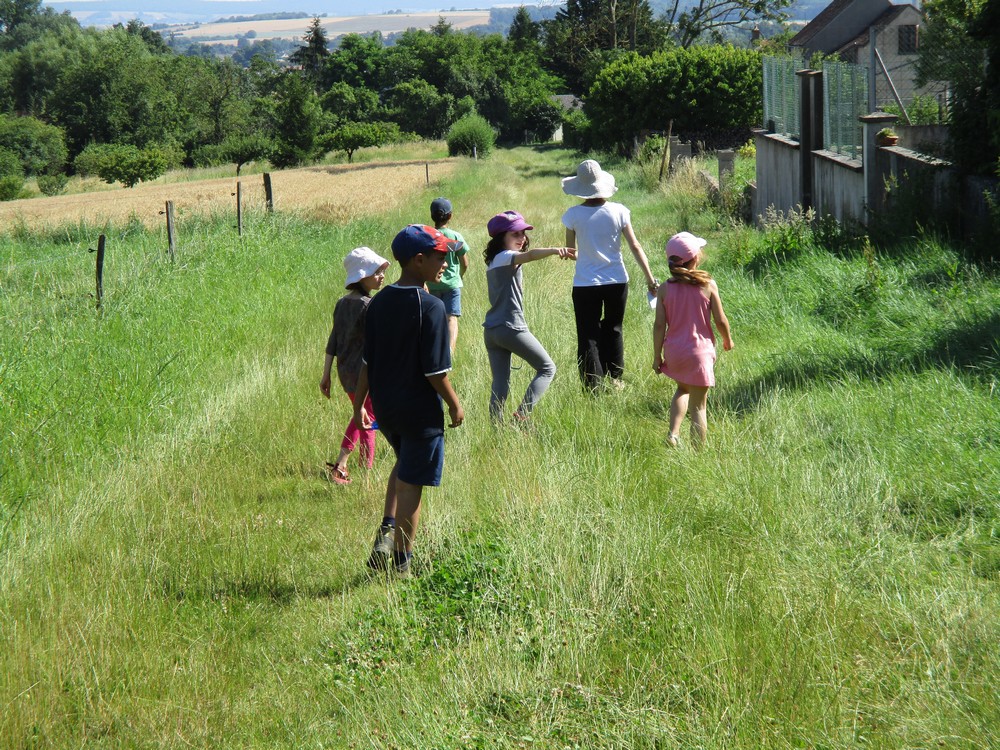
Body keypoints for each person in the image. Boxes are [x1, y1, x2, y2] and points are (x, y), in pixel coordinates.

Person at [353, 224, 465, 576]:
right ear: (419, 260)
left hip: (387, 410)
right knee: (413, 484)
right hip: (419, 413)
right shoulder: (430, 307)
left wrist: (359, 405)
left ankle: (386, 530)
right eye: (441, 257)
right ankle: (402, 564)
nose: (447, 262)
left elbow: (367, 363)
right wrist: (455, 404)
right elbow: (435, 372)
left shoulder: (377, 303)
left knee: (405, 465)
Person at [561, 159, 658, 392]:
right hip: (616, 280)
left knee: (587, 333)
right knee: (614, 327)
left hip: (585, 283)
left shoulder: (572, 215)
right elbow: (635, 246)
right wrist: (650, 278)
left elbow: (572, 253)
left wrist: (583, 253)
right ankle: (616, 378)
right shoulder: (619, 211)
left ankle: (592, 385)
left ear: (580, 188)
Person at [482, 210, 575, 423]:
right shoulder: (506, 256)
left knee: (500, 382)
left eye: (523, 233)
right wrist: (555, 250)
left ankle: (496, 426)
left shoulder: (494, 261)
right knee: (547, 368)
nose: (522, 238)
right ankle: (521, 416)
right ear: (501, 238)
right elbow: (531, 255)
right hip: (510, 327)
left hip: (492, 330)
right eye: (515, 234)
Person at [652, 232, 734, 448]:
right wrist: (727, 339)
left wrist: (656, 356)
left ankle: (673, 434)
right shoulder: (708, 285)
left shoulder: (664, 289)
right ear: (695, 258)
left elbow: (659, 325)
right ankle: (698, 455)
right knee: (699, 407)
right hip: (699, 353)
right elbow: (720, 320)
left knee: (682, 389)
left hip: (675, 351)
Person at [319, 247, 390, 484]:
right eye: (377, 272)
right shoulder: (368, 305)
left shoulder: (342, 303)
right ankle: (355, 468)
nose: (382, 276)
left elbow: (333, 341)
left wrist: (326, 374)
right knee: (366, 417)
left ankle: (350, 463)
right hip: (364, 374)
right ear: (362, 276)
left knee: (360, 413)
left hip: (344, 372)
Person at [427, 197, 470, 354]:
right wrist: (460, 276)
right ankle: (449, 353)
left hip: (432, 284)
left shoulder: (430, 235)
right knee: (451, 318)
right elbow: (464, 262)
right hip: (452, 284)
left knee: (435, 319)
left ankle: (434, 349)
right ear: (450, 216)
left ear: (432, 215)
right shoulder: (455, 237)